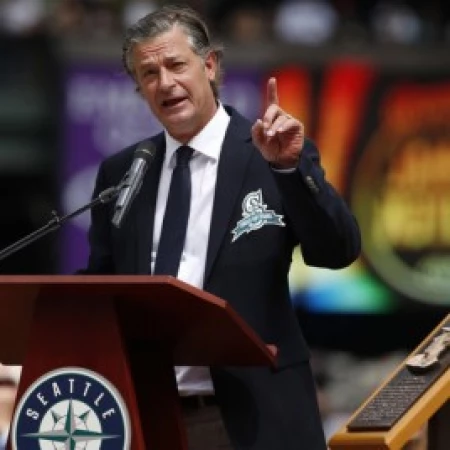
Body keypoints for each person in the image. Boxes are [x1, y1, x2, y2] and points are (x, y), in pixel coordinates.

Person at [83, 5, 361, 450]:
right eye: (149, 73)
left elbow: (338, 250)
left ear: (209, 65)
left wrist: (289, 171)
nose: (165, 83)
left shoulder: (271, 152)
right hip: (151, 420)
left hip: (256, 423)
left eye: (176, 65)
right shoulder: (124, 172)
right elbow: (101, 289)